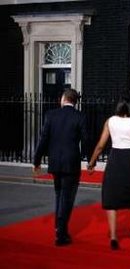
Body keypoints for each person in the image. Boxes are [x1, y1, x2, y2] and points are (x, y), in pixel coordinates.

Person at [87, 92, 130, 250]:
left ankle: (113, 236)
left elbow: (100, 145)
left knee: (111, 196)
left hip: (115, 159)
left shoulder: (110, 121)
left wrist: (92, 162)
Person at [33, 88, 89, 246]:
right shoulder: (80, 116)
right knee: (68, 198)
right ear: (74, 100)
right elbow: (85, 140)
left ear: (64, 99)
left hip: (55, 161)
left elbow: (43, 139)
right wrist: (89, 159)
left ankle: (58, 226)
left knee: (59, 194)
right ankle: (61, 232)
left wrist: (36, 161)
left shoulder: (51, 115)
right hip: (71, 162)